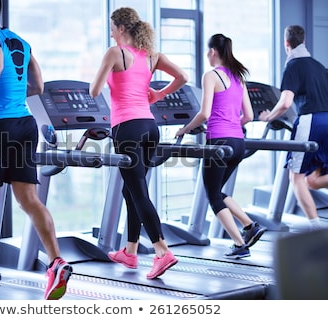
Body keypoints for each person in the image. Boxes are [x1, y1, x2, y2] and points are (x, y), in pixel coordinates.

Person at [0, 0, 72, 299]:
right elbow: (38, 86)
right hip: (25, 123)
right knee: (29, 199)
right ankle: (56, 261)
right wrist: (9, 93)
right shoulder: (20, 40)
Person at [90, 7, 188, 279]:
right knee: (131, 191)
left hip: (126, 128)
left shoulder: (115, 53)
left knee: (139, 192)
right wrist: (158, 95)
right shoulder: (152, 56)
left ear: (121, 28)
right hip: (149, 127)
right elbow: (183, 77)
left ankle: (161, 251)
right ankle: (130, 251)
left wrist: (104, 76)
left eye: (112, 28)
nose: (110, 33)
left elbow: (94, 91)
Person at [175, 34, 266, 259]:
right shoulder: (238, 77)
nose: (207, 55)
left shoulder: (211, 76)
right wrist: (233, 125)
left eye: (208, 52)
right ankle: (249, 226)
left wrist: (184, 130)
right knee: (218, 191)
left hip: (219, 143)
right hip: (237, 143)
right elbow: (249, 115)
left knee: (213, 196)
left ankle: (239, 244)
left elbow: (204, 113)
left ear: (213, 52)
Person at [259, 25, 328, 231]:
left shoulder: (293, 65)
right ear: (303, 41)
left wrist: (268, 117)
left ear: (286, 43)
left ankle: (316, 230)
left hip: (310, 121)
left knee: (296, 177)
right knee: (313, 180)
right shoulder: (318, 66)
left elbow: (286, 102)